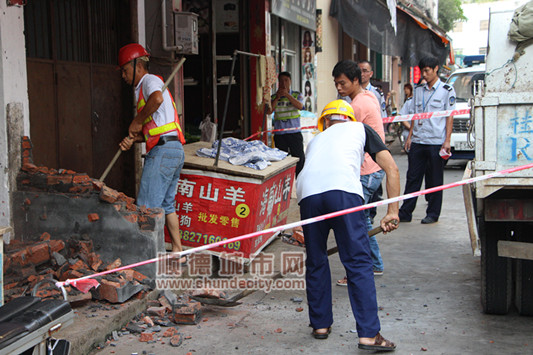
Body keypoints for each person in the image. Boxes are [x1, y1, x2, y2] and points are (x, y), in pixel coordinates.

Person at [297, 99, 399, 351]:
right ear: (350, 119)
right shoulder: (360, 129)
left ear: (326, 121)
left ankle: (320, 325)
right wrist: (392, 211)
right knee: (358, 262)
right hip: (343, 193)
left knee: (316, 260)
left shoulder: (315, 140)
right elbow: (392, 168)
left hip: (308, 196)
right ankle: (368, 334)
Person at [117, 43, 187, 263]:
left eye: (125, 70)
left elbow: (156, 99)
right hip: (174, 149)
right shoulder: (145, 88)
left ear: (138, 66)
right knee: (167, 206)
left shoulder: (149, 81)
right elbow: (156, 129)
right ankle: (178, 251)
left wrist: (137, 120)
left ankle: (149, 261)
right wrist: (133, 139)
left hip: (164, 152)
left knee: (147, 208)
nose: (123, 76)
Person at [331, 60, 387, 283]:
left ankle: (360, 269)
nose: (339, 88)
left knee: (354, 222)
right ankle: (374, 264)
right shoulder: (367, 97)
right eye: (336, 83)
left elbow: (342, 137)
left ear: (355, 80)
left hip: (367, 170)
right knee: (362, 220)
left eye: (343, 83)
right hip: (373, 169)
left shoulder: (356, 106)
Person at [398, 56, 456, 224]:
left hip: (436, 141)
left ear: (436, 69)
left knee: (435, 179)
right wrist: (410, 137)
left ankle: (433, 213)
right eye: (422, 71)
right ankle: (406, 211)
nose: (424, 74)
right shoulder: (418, 90)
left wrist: (447, 141)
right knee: (413, 177)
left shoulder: (446, 90)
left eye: (427, 71)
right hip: (418, 140)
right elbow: (415, 115)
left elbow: (449, 117)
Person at [267, 72, 305, 176]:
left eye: (286, 80)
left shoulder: (297, 94)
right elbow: (269, 111)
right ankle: (284, 178)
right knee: (281, 159)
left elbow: (300, 106)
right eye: (281, 81)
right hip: (280, 134)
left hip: (294, 132)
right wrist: (277, 97)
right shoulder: (274, 96)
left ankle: (298, 178)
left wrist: (287, 95)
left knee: (299, 157)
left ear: (290, 81)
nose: (284, 83)